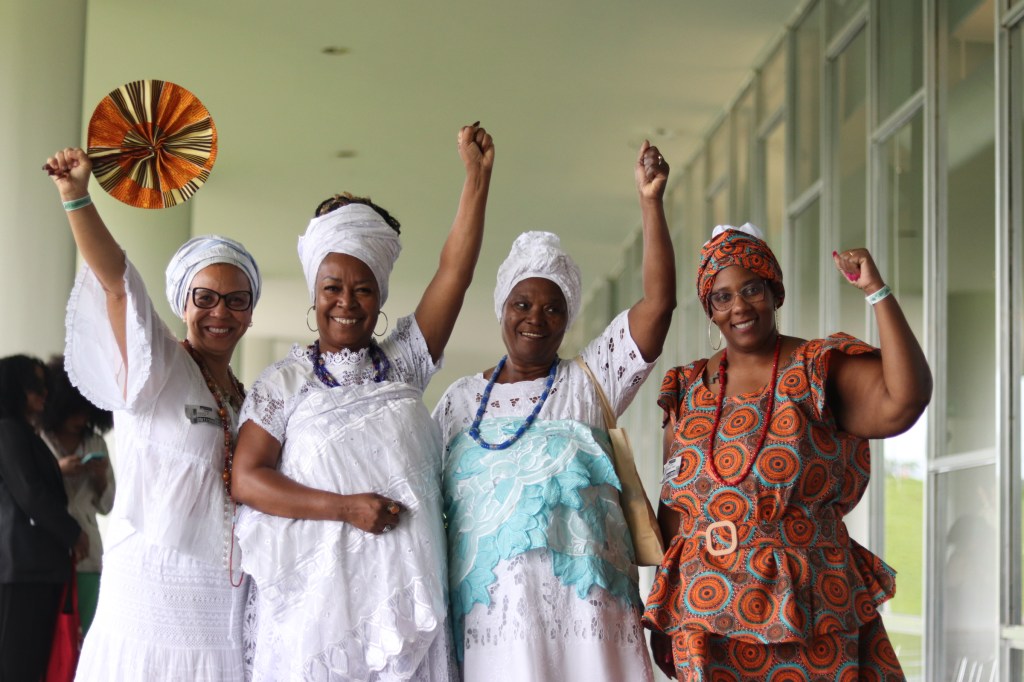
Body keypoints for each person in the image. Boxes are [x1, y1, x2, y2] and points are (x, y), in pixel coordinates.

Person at [230, 122, 494, 680]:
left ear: (381, 297)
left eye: (363, 288)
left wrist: (477, 177)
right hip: (317, 614)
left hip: (403, 603)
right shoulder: (283, 383)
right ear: (315, 293)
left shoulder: (403, 363)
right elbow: (247, 479)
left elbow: (455, 271)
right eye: (333, 288)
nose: (346, 303)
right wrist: (346, 507)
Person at [644, 224, 932, 681]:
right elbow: (675, 510)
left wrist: (876, 292)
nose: (739, 306)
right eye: (722, 297)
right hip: (704, 615)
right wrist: (664, 609)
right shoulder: (688, 387)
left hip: (805, 607)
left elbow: (905, 401)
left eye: (751, 290)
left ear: (774, 292)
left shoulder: (816, 367)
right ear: (710, 310)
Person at [433, 141, 674, 681]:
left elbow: (658, 307)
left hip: (588, 618)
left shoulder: (589, 382)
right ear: (502, 310)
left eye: (553, 308)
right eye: (522, 304)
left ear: (568, 318)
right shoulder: (460, 403)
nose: (535, 319)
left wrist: (650, 204)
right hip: (492, 622)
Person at [44, 147, 263, 680]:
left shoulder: (248, 398)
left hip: (222, 610)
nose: (220, 312)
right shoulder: (159, 367)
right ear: (183, 303)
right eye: (204, 297)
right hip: (149, 603)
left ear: (250, 313)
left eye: (236, 300)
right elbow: (118, 287)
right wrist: (76, 197)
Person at [0, 354, 88, 680]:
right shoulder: (8, 430)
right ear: (14, 387)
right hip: (22, 568)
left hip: (36, 567)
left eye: (43, 384)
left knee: (31, 665)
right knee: (17, 666)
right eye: (34, 385)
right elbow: (30, 493)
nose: (44, 392)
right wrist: (74, 533)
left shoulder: (23, 432)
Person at [40, 355, 115, 635]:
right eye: (75, 411)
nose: (82, 418)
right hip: (48, 553)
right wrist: (57, 470)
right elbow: (28, 493)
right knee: (49, 637)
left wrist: (100, 477)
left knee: (85, 635)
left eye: (86, 411)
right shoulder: (38, 440)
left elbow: (108, 506)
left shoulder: (95, 443)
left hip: (89, 556)